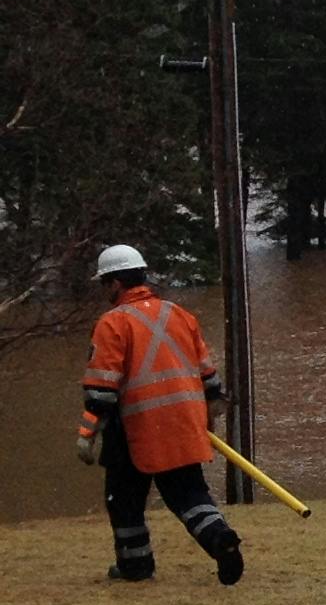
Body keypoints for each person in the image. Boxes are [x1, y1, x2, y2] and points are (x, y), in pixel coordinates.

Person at [75, 243, 243, 586]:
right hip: (184, 423)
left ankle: (136, 567)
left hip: (133, 429)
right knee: (189, 495)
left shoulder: (112, 323)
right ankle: (220, 538)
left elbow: (101, 390)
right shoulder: (179, 314)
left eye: (104, 284)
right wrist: (211, 408)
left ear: (114, 284)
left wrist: (87, 434)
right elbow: (208, 374)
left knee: (124, 502)